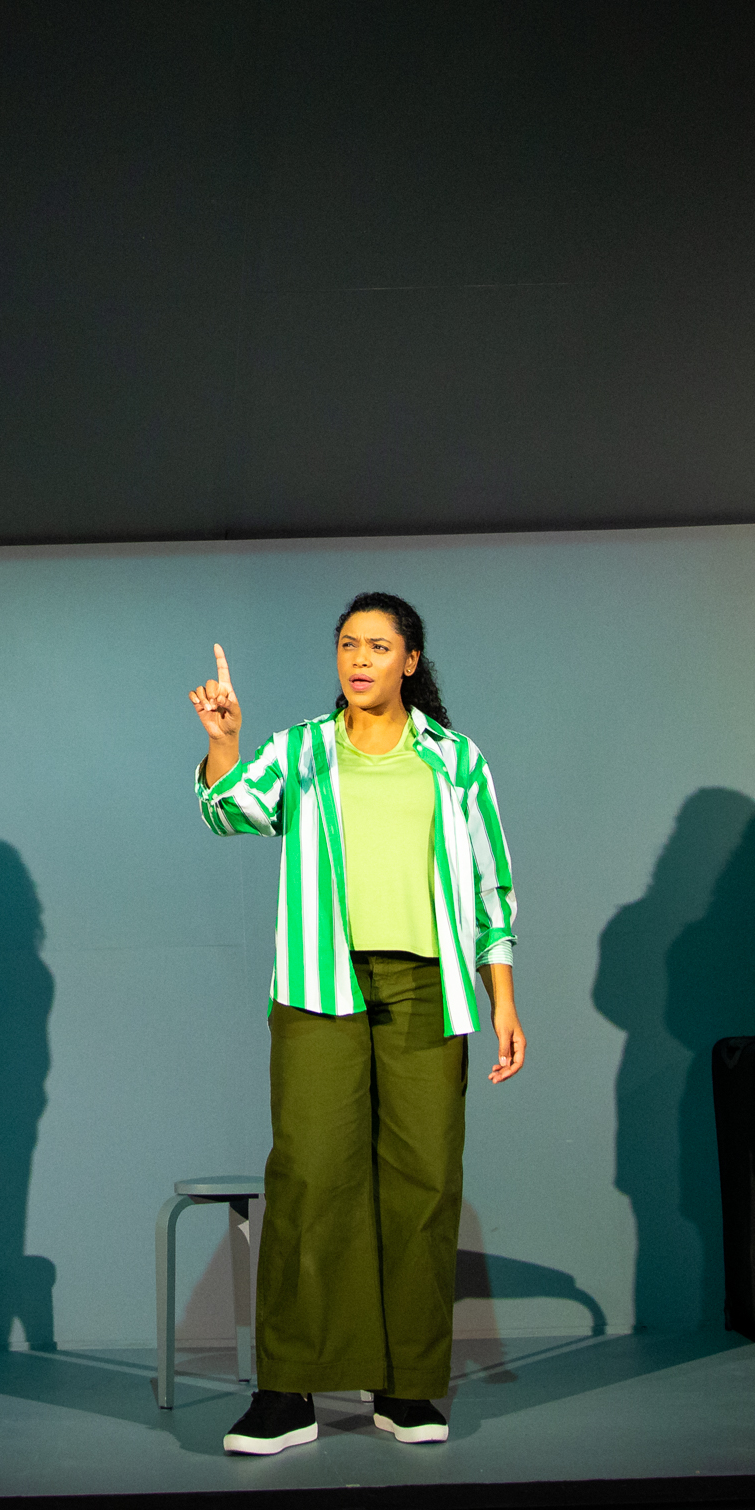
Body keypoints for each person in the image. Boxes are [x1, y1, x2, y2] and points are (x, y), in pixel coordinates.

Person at [189, 592, 523, 1456]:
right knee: (309, 1178)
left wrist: (502, 999)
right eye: (348, 644)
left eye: (378, 646)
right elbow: (229, 811)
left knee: (424, 1182)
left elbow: (491, 886)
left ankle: (406, 1386)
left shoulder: (455, 759)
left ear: (410, 661)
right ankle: (287, 1392)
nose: (360, 659)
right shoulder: (302, 750)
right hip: (319, 986)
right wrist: (225, 741)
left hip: (427, 990)